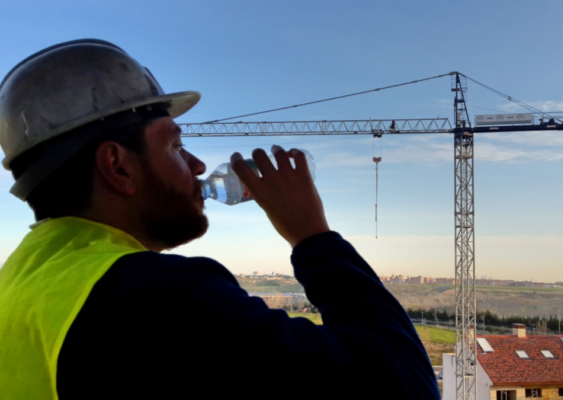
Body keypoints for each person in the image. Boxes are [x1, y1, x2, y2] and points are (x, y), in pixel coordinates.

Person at [0, 40, 439, 399]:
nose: (196, 166)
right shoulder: (159, 299)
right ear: (118, 166)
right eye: (175, 147)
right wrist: (314, 237)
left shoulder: (22, 281)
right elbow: (407, 384)